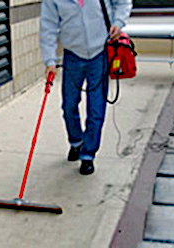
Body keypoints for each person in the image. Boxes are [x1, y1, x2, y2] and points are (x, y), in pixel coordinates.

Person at [40, 0, 133, 175]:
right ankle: (76, 141)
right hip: (73, 54)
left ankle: (88, 155)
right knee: (69, 105)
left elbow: (123, 2)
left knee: (96, 108)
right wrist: (50, 60)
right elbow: (48, 27)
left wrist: (118, 22)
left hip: (100, 53)